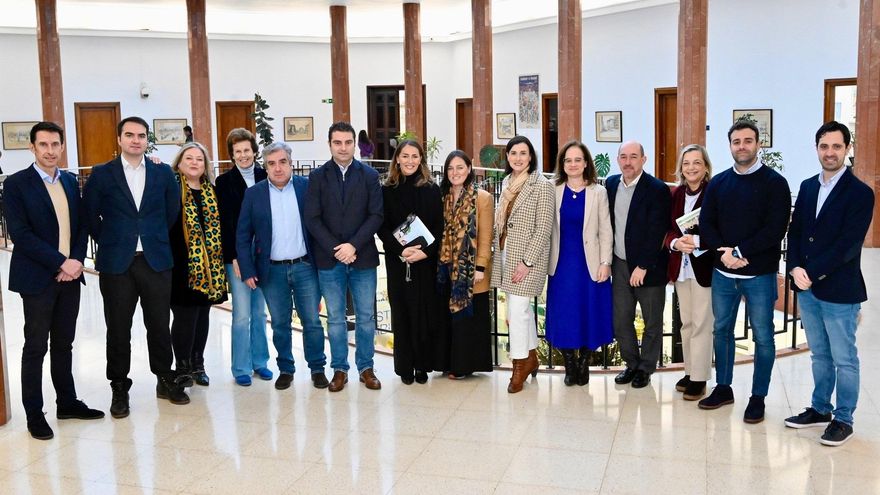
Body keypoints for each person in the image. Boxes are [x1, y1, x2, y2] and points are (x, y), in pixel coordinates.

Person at [82, 116, 189, 418]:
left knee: (158, 324)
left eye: (141, 136)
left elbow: (171, 212)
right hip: (117, 264)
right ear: (119, 140)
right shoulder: (102, 175)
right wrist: (113, 240)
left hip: (155, 261)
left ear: (147, 140)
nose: (136, 140)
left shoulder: (162, 173)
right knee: (118, 328)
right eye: (129, 135)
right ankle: (119, 385)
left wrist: (150, 237)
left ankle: (164, 378)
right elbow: (90, 215)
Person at [6, 122, 103, 440]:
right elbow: (21, 235)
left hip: (70, 277)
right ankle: (34, 412)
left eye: (55, 144)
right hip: (37, 277)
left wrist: (74, 262)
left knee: (64, 343)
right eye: (43, 144)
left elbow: (82, 226)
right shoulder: (17, 184)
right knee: (35, 347)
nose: (50, 150)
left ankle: (67, 402)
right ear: (32, 148)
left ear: (62, 147)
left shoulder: (72, 181)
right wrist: (61, 262)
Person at [784, 121, 874, 446]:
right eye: (824, 146)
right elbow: (794, 232)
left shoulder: (861, 193)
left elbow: (848, 245)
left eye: (837, 146)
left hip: (839, 291)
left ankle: (843, 418)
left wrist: (812, 272)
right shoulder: (807, 187)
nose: (830, 152)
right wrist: (793, 266)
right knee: (819, 355)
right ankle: (820, 408)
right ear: (817, 149)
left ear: (847, 149)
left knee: (844, 358)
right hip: (807, 289)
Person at [698, 120, 791, 423]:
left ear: (758, 144)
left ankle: (758, 397)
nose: (742, 146)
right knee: (721, 330)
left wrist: (740, 252)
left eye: (748, 141)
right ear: (730, 146)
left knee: (763, 336)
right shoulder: (719, 183)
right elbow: (707, 224)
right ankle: (723, 388)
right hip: (723, 273)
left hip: (760, 275)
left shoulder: (775, 184)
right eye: (736, 141)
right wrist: (724, 253)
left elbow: (775, 228)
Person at [237, 142, 328, 391]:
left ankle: (317, 368)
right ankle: (286, 369)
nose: (278, 168)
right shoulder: (254, 194)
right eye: (271, 163)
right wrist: (247, 270)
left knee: (311, 321)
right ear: (265, 166)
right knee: (279, 323)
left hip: (305, 267)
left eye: (282, 162)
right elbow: (243, 235)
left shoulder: (306, 188)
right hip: (271, 271)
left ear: (291, 162)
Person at [305, 122, 383, 392]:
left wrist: (353, 246)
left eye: (348, 142)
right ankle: (339, 369)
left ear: (354, 144)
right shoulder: (317, 178)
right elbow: (312, 219)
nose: (343, 147)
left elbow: (376, 216)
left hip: (362, 258)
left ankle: (366, 367)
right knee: (336, 318)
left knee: (365, 317)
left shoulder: (370, 176)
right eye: (337, 142)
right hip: (329, 260)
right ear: (329, 145)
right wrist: (337, 248)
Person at [490, 135, 554, 394]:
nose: (518, 158)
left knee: (517, 312)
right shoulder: (506, 182)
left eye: (523, 153)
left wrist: (527, 262)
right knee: (521, 312)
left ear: (531, 156)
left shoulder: (542, 185)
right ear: (508, 157)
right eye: (513, 153)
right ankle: (531, 356)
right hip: (506, 256)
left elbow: (544, 228)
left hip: (529, 260)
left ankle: (518, 365)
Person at [546, 140, 613, 386]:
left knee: (589, 312)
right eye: (568, 160)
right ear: (562, 164)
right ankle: (570, 365)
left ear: (586, 163)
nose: (573, 164)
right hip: (561, 265)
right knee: (565, 314)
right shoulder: (552, 190)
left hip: (591, 264)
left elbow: (606, 230)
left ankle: (584, 361)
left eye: (577, 160)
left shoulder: (599, 192)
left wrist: (605, 262)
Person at [377, 140, 444, 385]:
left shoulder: (431, 189)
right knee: (402, 313)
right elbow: (381, 226)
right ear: (397, 159)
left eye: (414, 156)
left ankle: (422, 366)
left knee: (423, 314)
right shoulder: (386, 190)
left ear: (421, 160)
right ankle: (405, 366)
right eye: (404, 156)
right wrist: (401, 251)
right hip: (399, 263)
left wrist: (424, 252)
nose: (409, 161)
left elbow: (439, 226)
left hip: (425, 263)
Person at [605, 141, 671, 389]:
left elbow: (658, 229)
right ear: (618, 159)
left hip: (649, 267)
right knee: (621, 319)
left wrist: (643, 265)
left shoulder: (657, 189)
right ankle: (631, 364)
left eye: (633, 156)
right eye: (623, 156)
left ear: (644, 159)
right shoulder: (610, 184)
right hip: (620, 263)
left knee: (652, 321)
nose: (628, 162)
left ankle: (646, 368)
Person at [168, 142, 227, 388]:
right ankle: (181, 367)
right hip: (179, 267)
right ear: (179, 164)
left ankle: (197, 364)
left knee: (202, 316)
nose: (194, 163)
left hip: (209, 269)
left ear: (206, 165)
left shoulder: (213, 191)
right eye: (189, 158)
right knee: (184, 317)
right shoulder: (170, 190)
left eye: (199, 159)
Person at [216, 128, 272, 387]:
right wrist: (235, 257)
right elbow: (225, 224)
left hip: (263, 255)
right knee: (241, 314)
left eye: (246, 150)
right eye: (237, 151)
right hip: (238, 256)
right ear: (232, 155)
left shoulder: (266, 175)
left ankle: (260, 362)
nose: (243, 155)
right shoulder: (224, 183)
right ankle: (240, 367)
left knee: (260, 312)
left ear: (254, 151)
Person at [436, 150, 494, 380]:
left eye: (460, 167)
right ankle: (448, 362)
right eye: (450, 168)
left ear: (469, 169)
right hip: (446, 269)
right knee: (447, 319)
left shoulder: (482, 198)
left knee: (468, 320)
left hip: (470, 270)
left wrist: (480, 267)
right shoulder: (442, 195)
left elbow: (486, 235)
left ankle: (464, 365)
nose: (455, 172)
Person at [664, 144, 714, 400]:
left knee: (702, 323)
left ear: (705, 166)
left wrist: (697, 242)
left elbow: (720, 230)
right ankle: (690, 370)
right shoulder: (677, 194)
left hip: (703, 267)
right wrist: (675, 242)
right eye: (686, 163)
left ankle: (700, 377)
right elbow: (668, 228)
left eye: (697, 162)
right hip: (682, 268)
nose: (691, 167)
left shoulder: (714, 193)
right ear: (680, 168)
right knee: (687, 322)